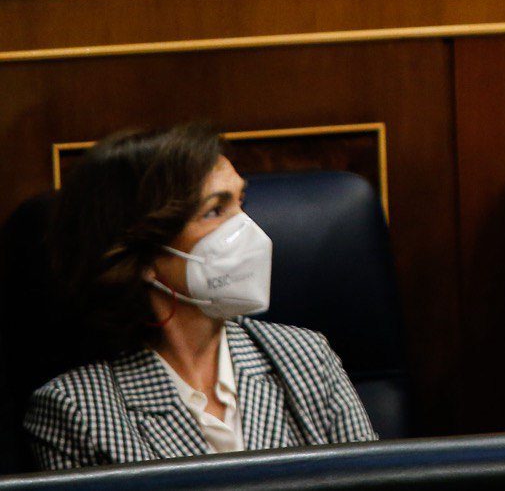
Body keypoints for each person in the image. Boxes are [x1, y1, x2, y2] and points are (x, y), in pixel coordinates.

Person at [24, 124, 376, 469]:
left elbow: (373, 484)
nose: (249, 231)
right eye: (214, 211)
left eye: (241, 202)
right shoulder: (76, 411)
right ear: (142, 254)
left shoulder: (306, 358)